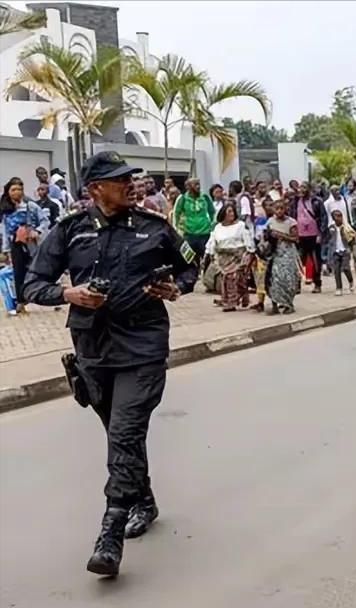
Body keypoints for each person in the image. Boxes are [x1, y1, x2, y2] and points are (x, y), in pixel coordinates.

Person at [23, 151, 198, 576]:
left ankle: (110, 532)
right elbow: (32, 284)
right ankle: (145, 499)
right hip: (93, 350)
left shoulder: (155, 227)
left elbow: (191, 266)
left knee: (124, 431)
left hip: (143, 345)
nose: (130, 185)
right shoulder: (69, 232)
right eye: (120, 180)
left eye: (130, 179)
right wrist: (69, 295)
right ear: (95, 189)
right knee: (120, 434)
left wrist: (177, 288)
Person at [1, 178, 51, 315]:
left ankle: (46, 294)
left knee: (37, 269)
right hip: (16, 244)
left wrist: (37, 232)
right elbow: (4, 231)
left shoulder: (31, 206)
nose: (17, 192)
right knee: (18, 273)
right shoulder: (5, 210)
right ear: (8, 192)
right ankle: (20, 302)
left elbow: (45, 221)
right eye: (13, 190)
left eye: (19, 189)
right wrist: (5, 250)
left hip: (32, 243)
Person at [205, 203, 254, 311]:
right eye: (229, 212)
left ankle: (232, 302)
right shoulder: (218, 227)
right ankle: (234, 297)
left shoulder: (240, 226)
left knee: (232, 278)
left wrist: (250, 253)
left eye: (232, 211)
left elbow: (247, 240)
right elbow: (212, 241)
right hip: (223, 257)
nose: (231, 214)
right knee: (226, 279)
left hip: (238, 256)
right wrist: (210, 252)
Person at [289, 182, 326, 293]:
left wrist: (320, 233)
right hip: (300, 236)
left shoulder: (316, 201)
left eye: (304, 187)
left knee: (315, 261)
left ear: (309, 189)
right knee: (299, 261)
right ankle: (297, 285)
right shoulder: (295, 202)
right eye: (301, 188)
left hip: (314, 235)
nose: (302, 190)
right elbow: (292, 216)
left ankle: (317, 284)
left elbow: (323, 217)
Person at [265, 199, 301, 314]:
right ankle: (274, 304)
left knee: (288, 279)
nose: (279, 211)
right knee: (274, 278)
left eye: (282, 208)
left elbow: (295, 238)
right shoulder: (270, 221)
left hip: (287, 252)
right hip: (275, 253)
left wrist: (281, 235)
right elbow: (265, 235)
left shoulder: (291, 222)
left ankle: (288, 304)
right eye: (277, 208)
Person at [172, 178, 214, 268]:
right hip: (189, 234)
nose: (198, 187)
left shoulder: (205, 197)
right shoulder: (183, 198)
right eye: (195, 184)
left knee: (208, 260)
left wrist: (212, 225)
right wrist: (176, 229)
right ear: (189, 187)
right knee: (190, 260)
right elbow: (176, 213)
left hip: (205, 233)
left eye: (199, 184)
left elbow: (212, 211)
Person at [327, 209, 356, 295]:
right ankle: (339, 287)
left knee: (346, 268)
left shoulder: (346, 227)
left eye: (340, 216)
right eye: (337, 216)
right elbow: (329, 240)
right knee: (336, 270)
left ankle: (351, 281)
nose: (339, 218)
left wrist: (353, 250)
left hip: (345, 250)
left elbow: (352, 239)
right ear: (333, 218)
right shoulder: (331, 228)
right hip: (335, 251)